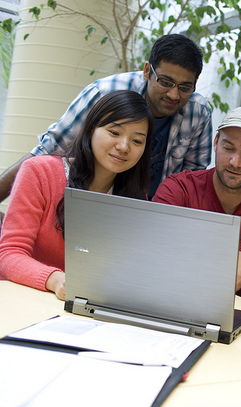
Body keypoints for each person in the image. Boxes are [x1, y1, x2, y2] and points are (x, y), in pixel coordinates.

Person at [0, 33, 212, 206]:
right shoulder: (104, 93)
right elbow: (48, 150)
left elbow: (191, 182)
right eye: (166, 82)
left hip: (150, 213)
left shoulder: (198, 112)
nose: (174, 95)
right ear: (148, 71)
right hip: (85, 203)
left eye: (185, 87)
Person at [0, 90, 154, 300]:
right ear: (91, 130)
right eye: (114, 133)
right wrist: (55, 280)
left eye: (137, 141)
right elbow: (9, 254)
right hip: (26, 301)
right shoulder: (39, 172)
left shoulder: (135, 197)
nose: (123, 147)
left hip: (87, 312)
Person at [152, 106, 241, 300]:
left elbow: (228, 280)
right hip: (160, 299)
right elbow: (156, 261)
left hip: (226, 316)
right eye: (228, 148)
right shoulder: (177, 189)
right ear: (216, 142)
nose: (235, 162)